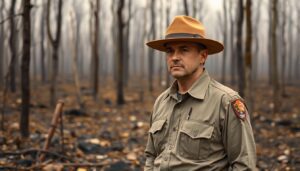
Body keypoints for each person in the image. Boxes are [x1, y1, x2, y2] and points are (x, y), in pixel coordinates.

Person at [144, 15, 256, 170]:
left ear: (203, 56)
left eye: (184, 50)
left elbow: (244, 165)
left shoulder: (226, 102)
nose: (174, 57)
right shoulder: (162, 101)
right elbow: (151, 156)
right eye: (170, 51)